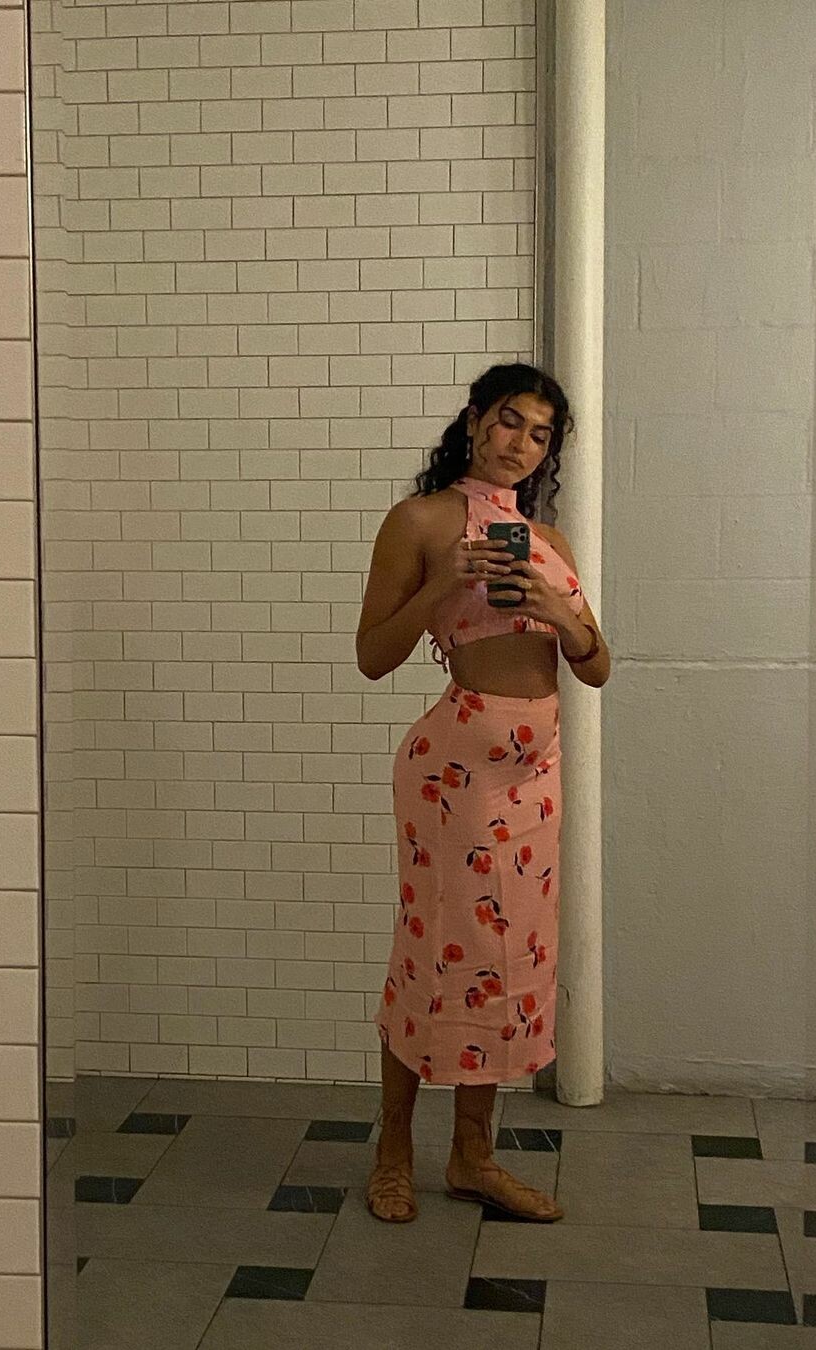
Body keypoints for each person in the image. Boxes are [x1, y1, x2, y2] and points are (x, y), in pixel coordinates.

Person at [355, 362, 611, 1223]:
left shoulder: (549, 542)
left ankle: (473, 1156)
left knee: (510, 961)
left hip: (536, 775)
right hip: (455, 773)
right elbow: (373, 654)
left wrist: (557, 609)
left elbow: (598, 667)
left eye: (540, 434)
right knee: (434, 951)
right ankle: (394, 1151)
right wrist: (447, 582)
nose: (520, 444)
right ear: (472, 422)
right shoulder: (421, 521)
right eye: (508, 421)